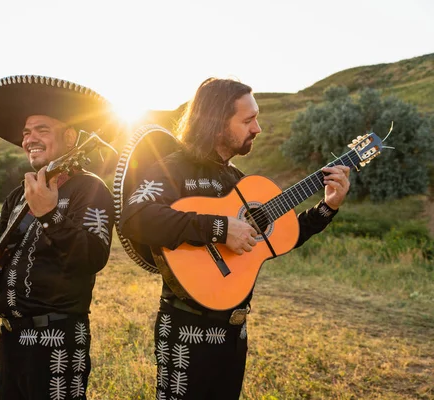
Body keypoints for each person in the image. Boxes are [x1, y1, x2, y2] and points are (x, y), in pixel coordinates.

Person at [118, 77, 350, 398]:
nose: (258, 128)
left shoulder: (239, 181)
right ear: (215, 123)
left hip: (234, 331)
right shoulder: (173, 168)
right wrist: (220, 228)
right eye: (248, 120)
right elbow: (136, 218)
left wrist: (327, 207)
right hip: (187, 330)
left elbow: (276, 240)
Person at [0, 75, 115, 399]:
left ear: (70, 137)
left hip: (58, 342)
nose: (29, 139)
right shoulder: (20, 194)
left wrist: (49, 215)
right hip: (10, 340)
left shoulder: (91, 188)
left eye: (41, 129)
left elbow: (93, 256)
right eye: (26, 132)